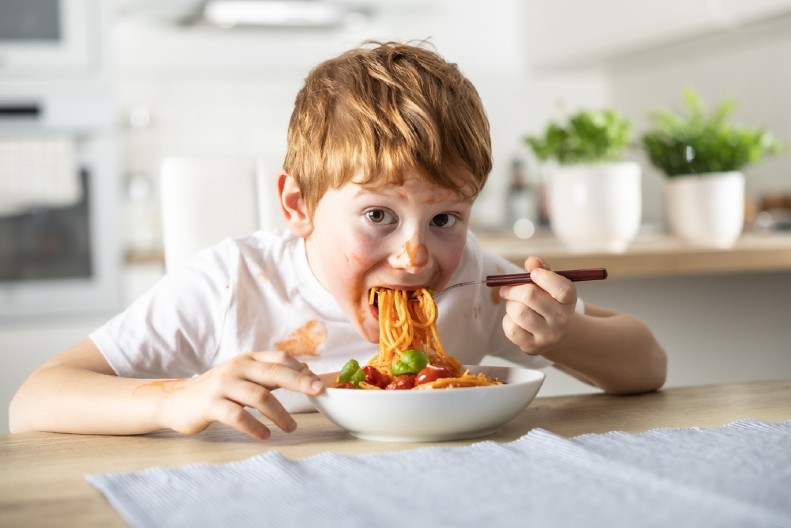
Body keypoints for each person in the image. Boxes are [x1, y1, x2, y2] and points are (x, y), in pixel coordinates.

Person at [9, 41, 666, 440]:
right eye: (378, 216)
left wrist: (564, 335)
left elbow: (646, 367)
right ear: (298, 205)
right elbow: (35, 401)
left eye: (444, 219)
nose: (415, 257)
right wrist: (177, 397)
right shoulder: (233, 284)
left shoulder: (473, 283)